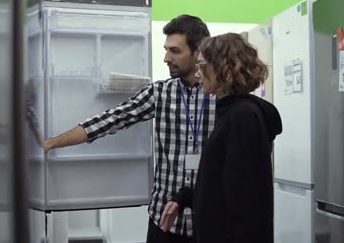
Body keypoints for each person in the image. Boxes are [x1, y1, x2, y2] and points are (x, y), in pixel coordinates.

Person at [43, 14, 215, 243]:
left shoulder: (221, 96)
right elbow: (109, 120)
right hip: (163, 222)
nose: (166, 58)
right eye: (166, 50)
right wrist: (51, 143)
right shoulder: (160, 93)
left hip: (210, 222)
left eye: (175, 51)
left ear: (198, 52)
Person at [159, 33, 282, 243]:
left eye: (201, 66)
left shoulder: (243, 117)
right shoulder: (231, 112)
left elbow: (245, 202)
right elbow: (222, 181)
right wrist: (186, 197)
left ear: (222, 67)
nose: (198, 75)